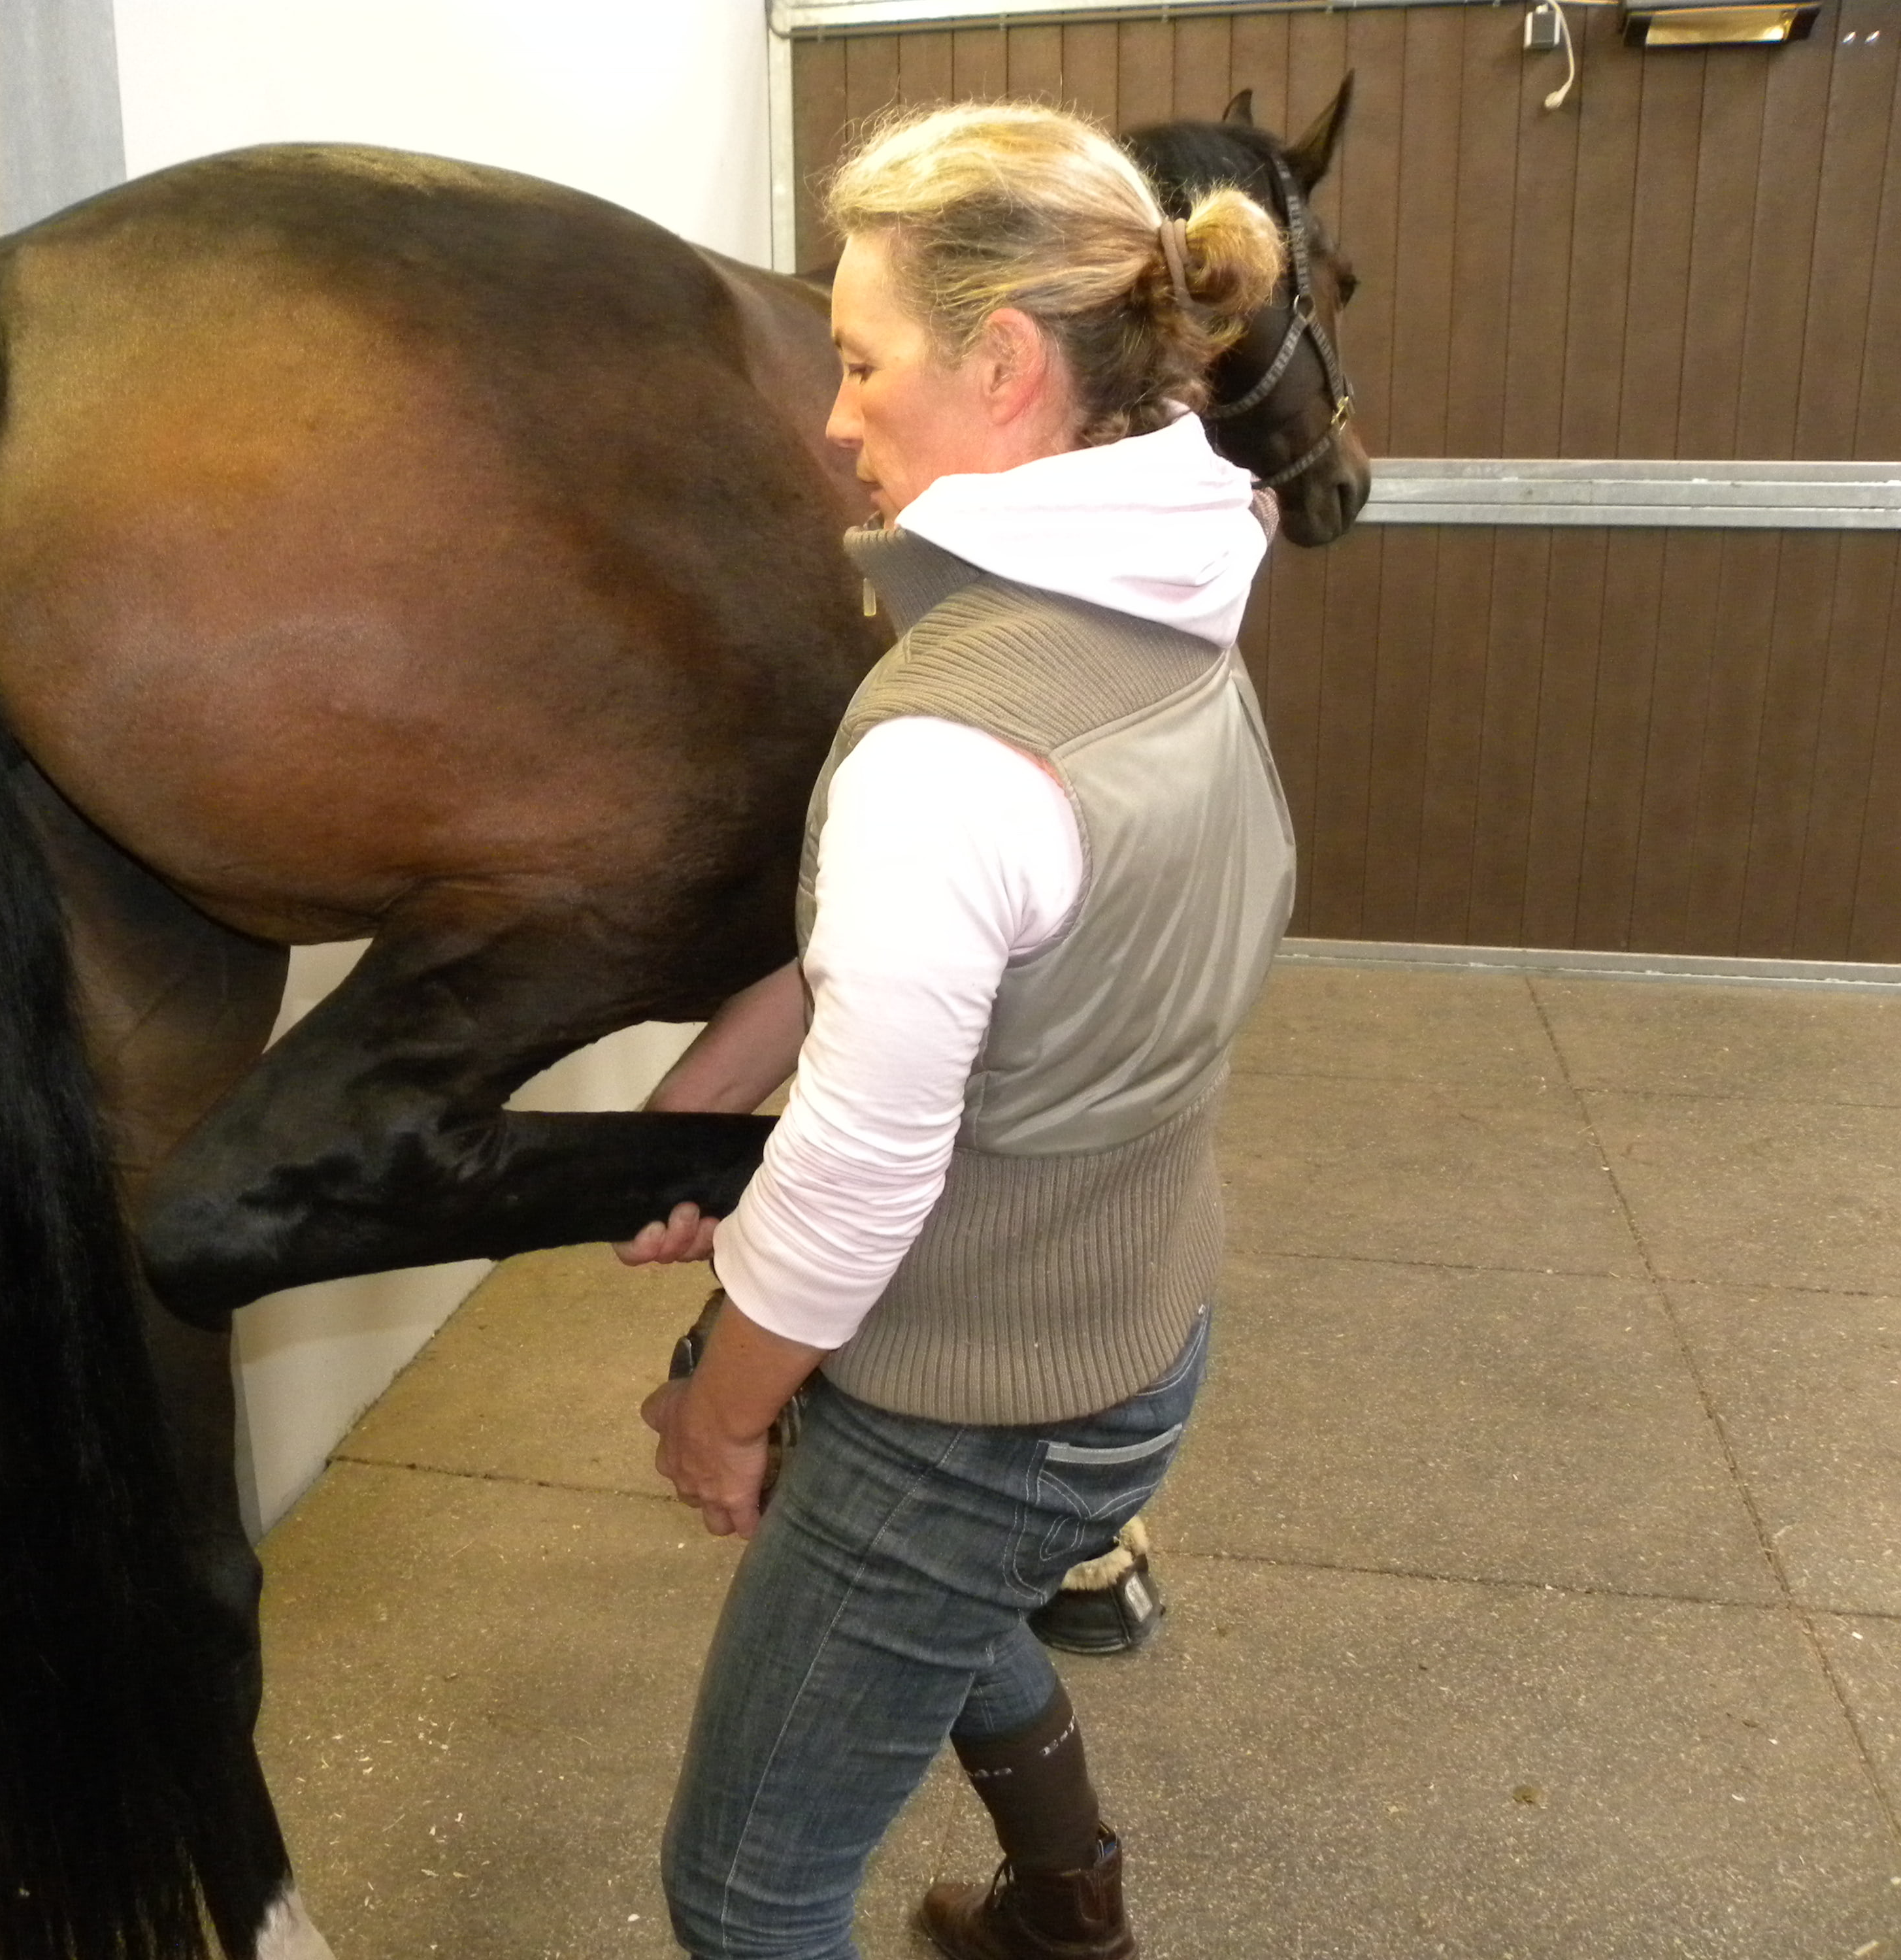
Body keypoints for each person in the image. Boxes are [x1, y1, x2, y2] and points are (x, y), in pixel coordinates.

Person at [617, 101, 1293, 1960]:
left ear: (1000, 365)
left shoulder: (946, 747)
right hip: (1133, 1311)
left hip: (977, 1396)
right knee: (932, 1585)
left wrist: (723, 1406)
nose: (834, 416)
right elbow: (954, 964)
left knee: (746, 1894)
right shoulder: (1173, 590)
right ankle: (1067, 1909)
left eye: (858, 360)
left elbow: (857, 1174)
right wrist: (695, 1116)